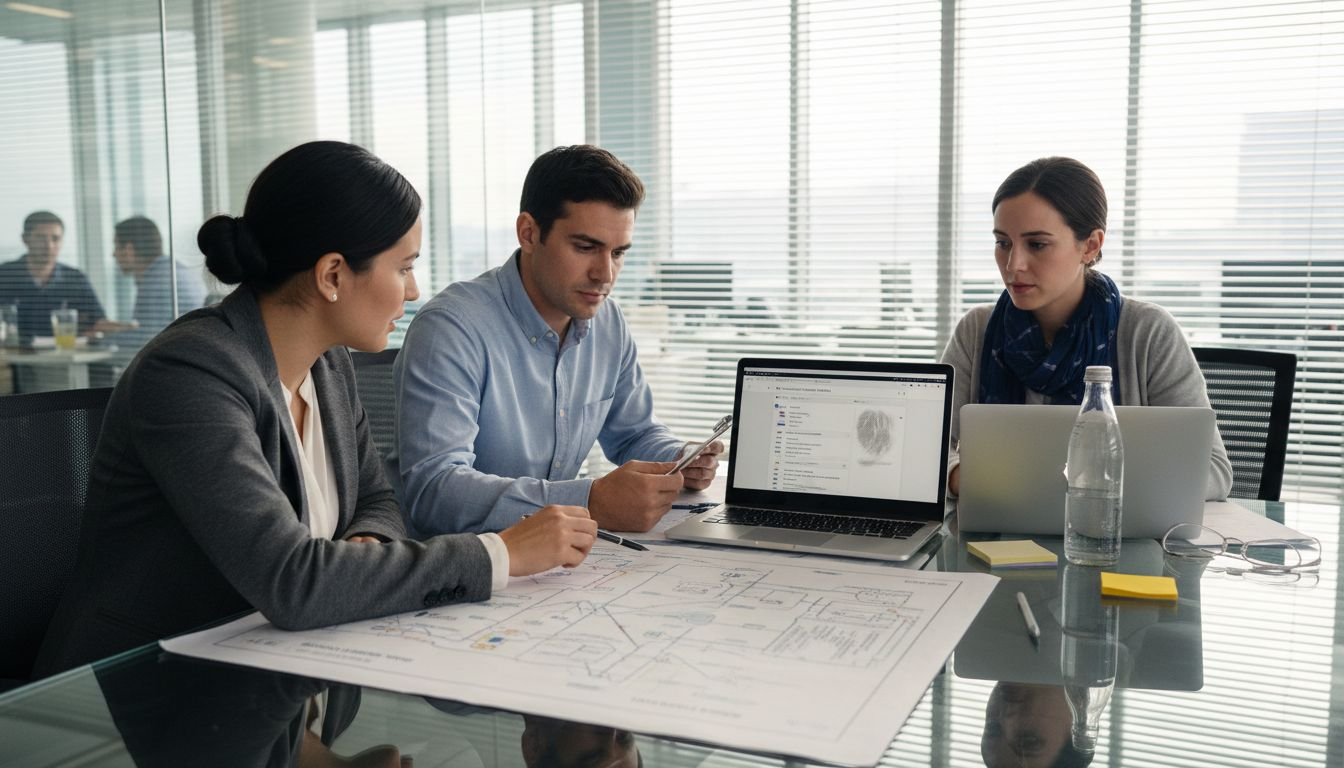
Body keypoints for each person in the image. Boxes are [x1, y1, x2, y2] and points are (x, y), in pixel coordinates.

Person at [34, 141, 597, 677]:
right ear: (332, 276)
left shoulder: (327, 365)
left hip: (282, 665)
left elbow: (377, 500)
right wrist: (500, 553)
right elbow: (292, 580)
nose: (413, 291)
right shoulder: (190, 373)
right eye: (404, 267)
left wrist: (364, 554)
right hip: (146, 689)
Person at [394, 145, 722, 536]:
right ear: (529, 233)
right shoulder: (451, 329)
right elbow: (436, 492)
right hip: (467, 558)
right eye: (586, 248)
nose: (605, 274)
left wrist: (680, 458)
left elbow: (634, 433)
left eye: (618, 253)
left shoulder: (608, 322)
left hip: (555, 556)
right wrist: (589, 501)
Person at [939, 157, 1232, 501]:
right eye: (1003, 242)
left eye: (1037, 244)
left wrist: (1087, 483)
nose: (1013, 264)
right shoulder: (976, 330)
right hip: (994, 526)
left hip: (1114, 531)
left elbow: (1212, 470)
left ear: (1091, 245)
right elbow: (929, 450)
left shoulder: (1148, 333)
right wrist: (960, 477)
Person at [99, 215, 206, 349]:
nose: (113, 254)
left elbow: (146, 340)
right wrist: (121, 328)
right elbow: (155, 328)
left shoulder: (155, 282)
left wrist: (101, 337)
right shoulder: (173, 271)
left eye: (116, 247)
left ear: (129, 250)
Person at [0, 210, 106, 341]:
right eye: (40, 238)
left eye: (55, 239)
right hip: (11, 352)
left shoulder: (75, 278)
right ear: (25, 239)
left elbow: (98, 322)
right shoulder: (4, 275)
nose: (49, 246)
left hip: (63, 352)